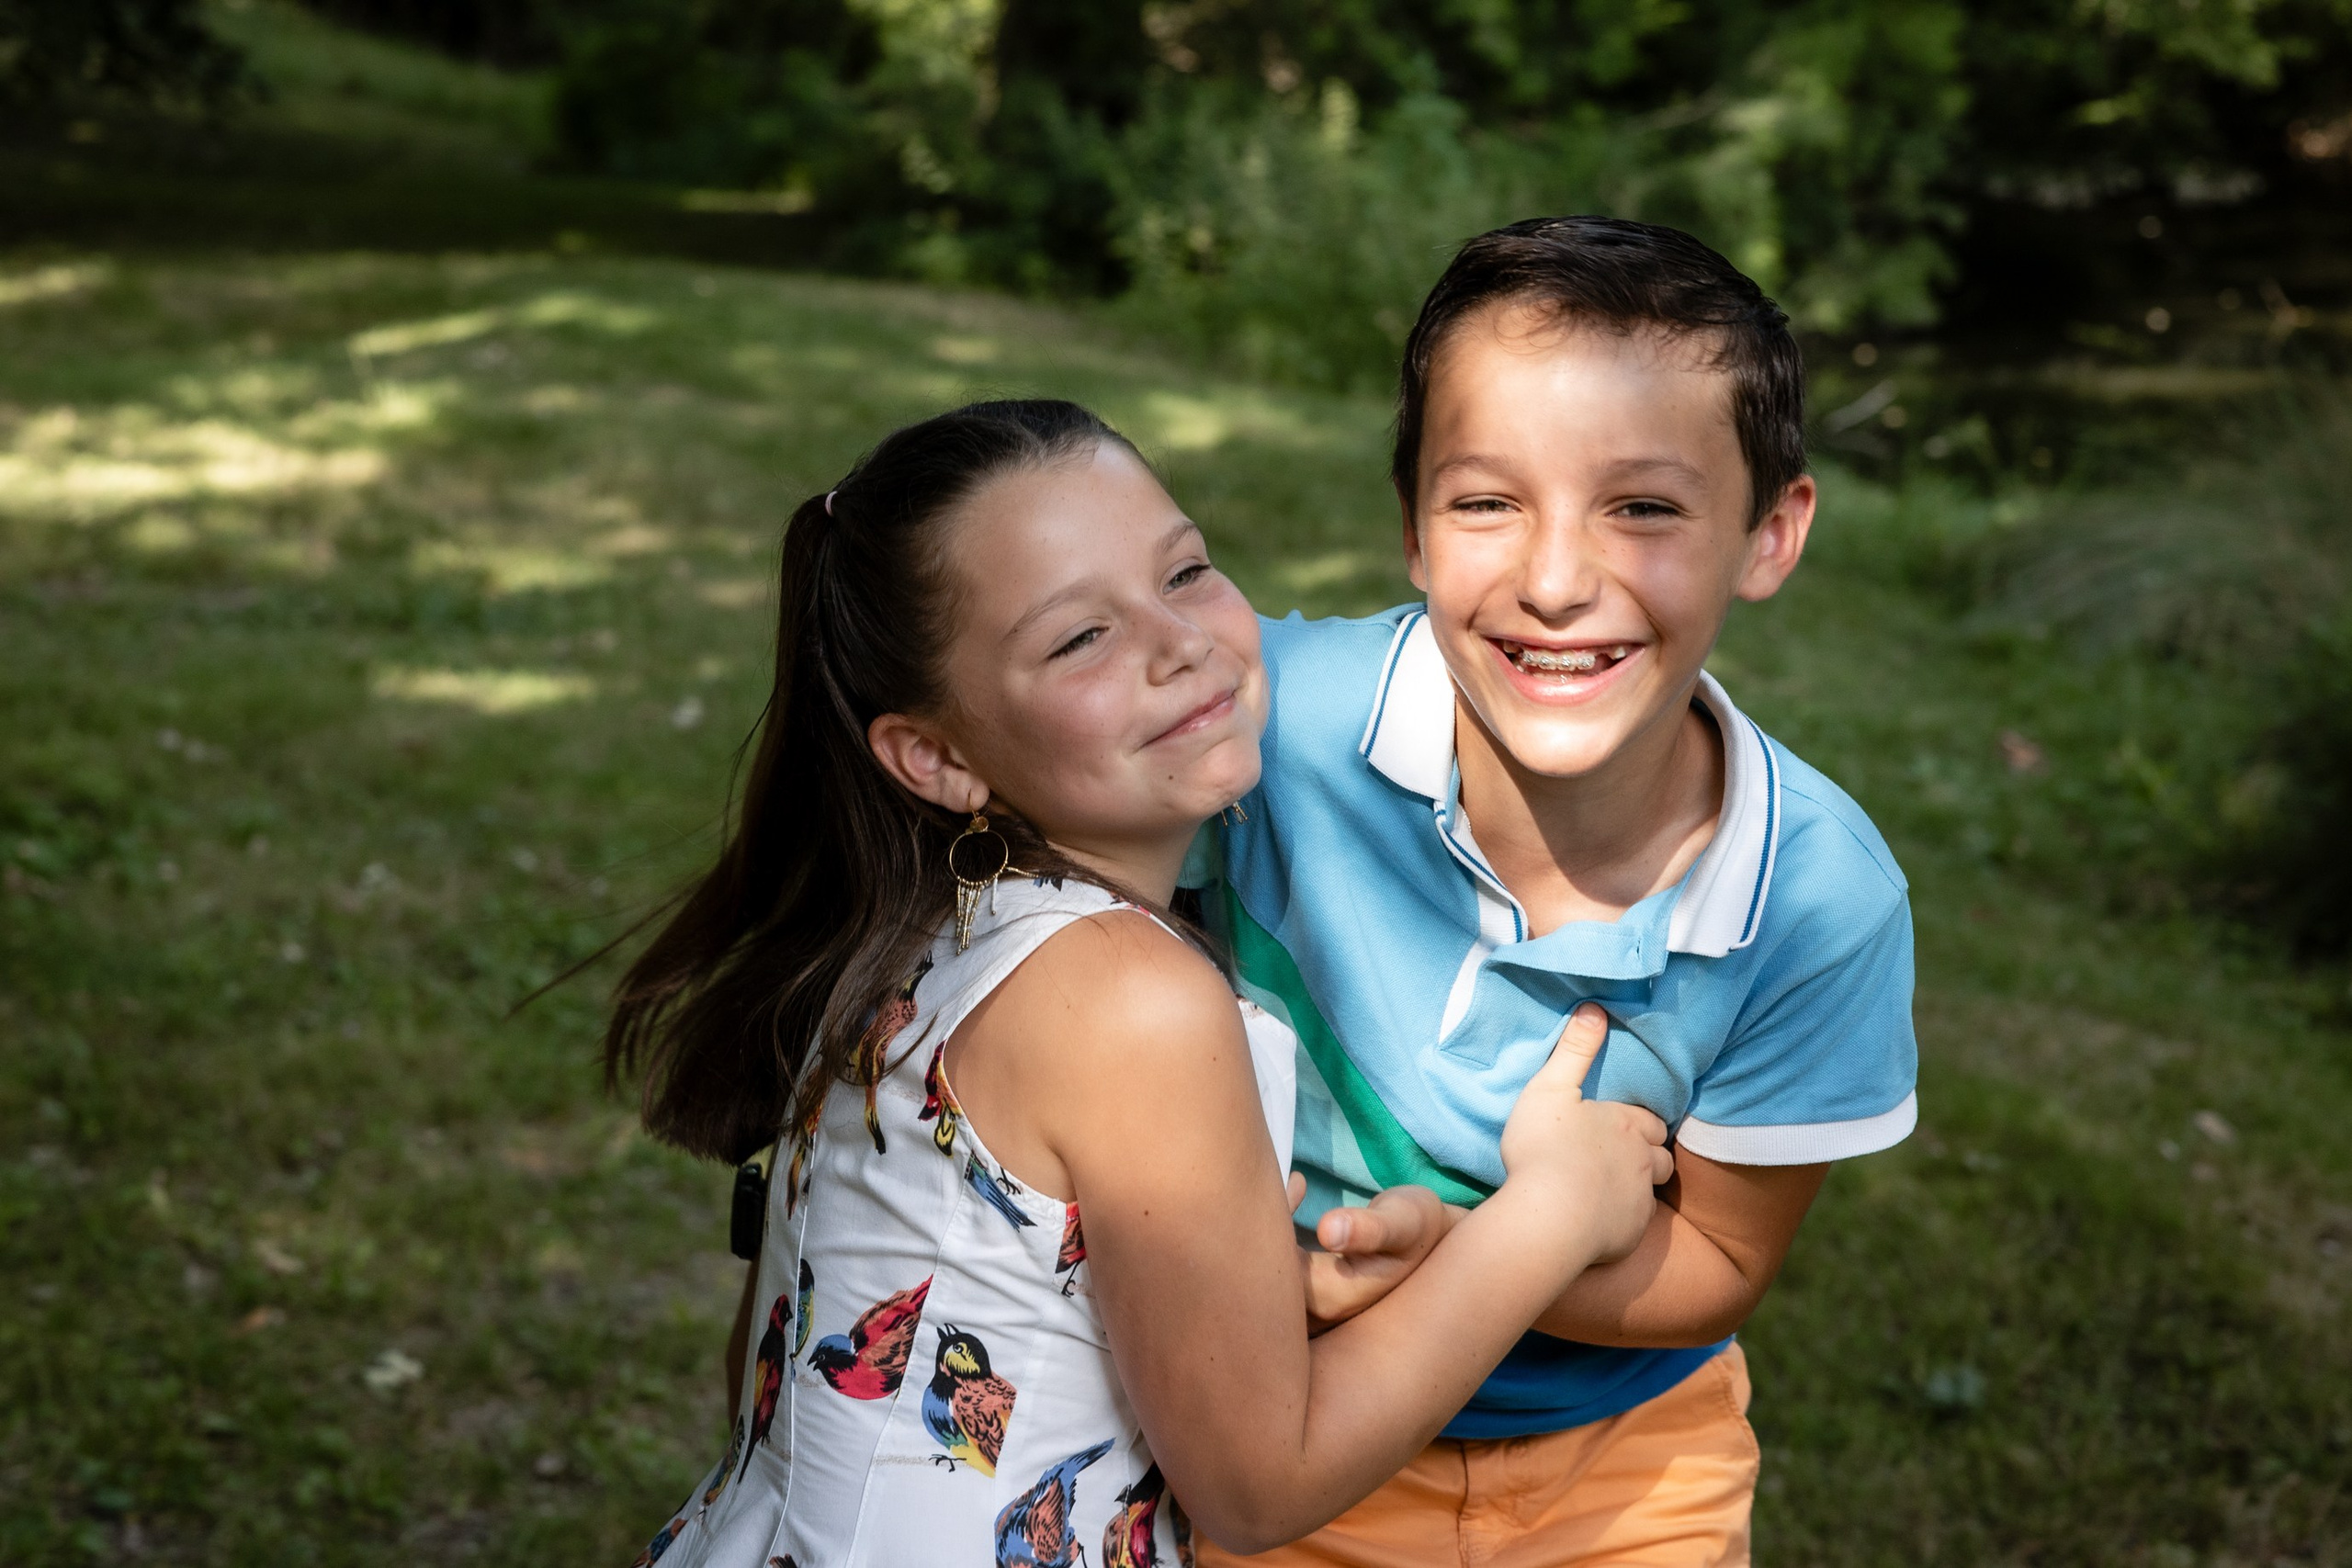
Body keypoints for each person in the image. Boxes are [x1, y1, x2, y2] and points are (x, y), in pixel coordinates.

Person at [604, 399, 1675, 1568]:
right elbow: (1261, 1489)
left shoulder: (903, 927)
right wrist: (1551, 1216)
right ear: (940, 756)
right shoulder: (1129, 998)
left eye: (1186, 571)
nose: (1180, 643)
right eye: (1079, 639)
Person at [1189, 217, 1920, 1567]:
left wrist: (1452, 1266)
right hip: (1287, 1409)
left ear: (1770, 532)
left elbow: (1717, 1257)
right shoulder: (1262, 734)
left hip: (1628, 1466)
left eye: (1644, 507)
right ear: (1411, 524)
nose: (1556, 580)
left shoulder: (1819, 899)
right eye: (1487, 500)